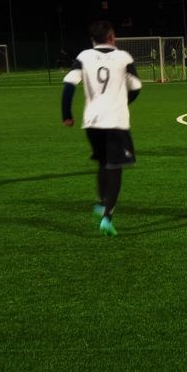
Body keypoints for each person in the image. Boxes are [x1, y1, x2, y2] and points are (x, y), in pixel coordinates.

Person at [61, 20, 142, 236]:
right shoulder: (123, 57)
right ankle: (107, 217)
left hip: (92, 121)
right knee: (115, 167)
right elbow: (136, 87)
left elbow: (69, 85)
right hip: (116, 121)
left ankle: (100, 203)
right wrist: (123, 101)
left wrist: (66, 114)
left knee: (103, 161)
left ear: (92, 40)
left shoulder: (84, 56)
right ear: (112, 37)